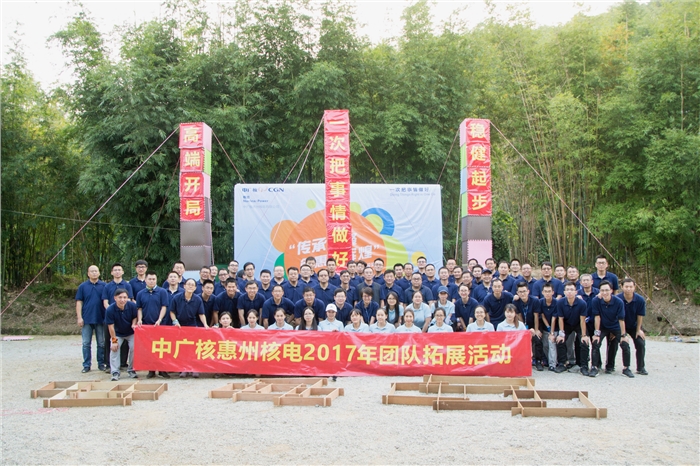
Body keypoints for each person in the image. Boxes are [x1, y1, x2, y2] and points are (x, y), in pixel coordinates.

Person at [590, 281, 632, 378]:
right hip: (603, 327)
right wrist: (596, 333)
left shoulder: (618, 302)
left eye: (607, 290)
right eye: (602, 290)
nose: (605, 292)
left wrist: (623, 335)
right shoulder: (596, 301)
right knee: (596, 343)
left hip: (615, 326)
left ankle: (626, 368)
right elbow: (597, 317)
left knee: (624, 344)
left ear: (611, 291)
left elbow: (621, 319)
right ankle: (594, 367)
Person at [136, 271, 171, 379]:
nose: (151, 281)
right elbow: (139, 308)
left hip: (160, 325)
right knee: (149, 348)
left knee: (161, 347)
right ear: (146, 280)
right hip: (147, 325)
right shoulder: (140, 293)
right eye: (149, 279)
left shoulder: (162, 292)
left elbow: (164, 306)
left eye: (153, 279)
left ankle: (162, 369)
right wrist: (140, 319)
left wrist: (159, 319)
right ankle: (151, 370)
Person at [170, 278, 207, 378]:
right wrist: (175, 321)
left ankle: (194, 368)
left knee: (193, 348)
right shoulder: (177, 298)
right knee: (182, 348)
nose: (190, 286)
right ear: (184, 286)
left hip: (192, 325)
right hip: (179, 326)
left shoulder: (198, 299)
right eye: (188, 284)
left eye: (192, 285)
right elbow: (172, 311)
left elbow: (201, 314)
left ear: (195, 288)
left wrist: (205, 324)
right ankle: (183, 368)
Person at [101, 263, 134, 372]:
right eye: (115, 270)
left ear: (123, 272)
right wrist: (113, 312)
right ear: (112, 272)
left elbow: (130, 303)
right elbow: (105, 302)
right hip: (113, 321)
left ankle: (126, 365)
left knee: (129, 345)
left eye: (119, 270)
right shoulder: (107, 287)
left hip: (127, 324)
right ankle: (110, 367)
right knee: (111, 343)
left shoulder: (127, 286)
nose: (117, 272)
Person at [553, 282, 590, 375]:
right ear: (564, 292)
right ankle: (562, 363)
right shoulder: (560, 302)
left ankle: (584, 365)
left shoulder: (582, 303)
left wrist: (584, 335)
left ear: (576, 292)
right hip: (566, 324)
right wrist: (561, 333)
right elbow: (560, 319)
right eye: (567, 290)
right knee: (560, 340)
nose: (569, 292)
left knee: (584, 341)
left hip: (578, 324)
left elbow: (582, 320)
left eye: (572, 290)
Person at [76, 265, 106, 373]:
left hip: (101, 318)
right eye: (92, 271)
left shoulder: (104, 286)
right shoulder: (82, 286)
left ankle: (101, 363)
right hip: (87, 318)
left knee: (101, 343)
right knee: (86, 343)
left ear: (99, 273)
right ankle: (86, 365)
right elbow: (79, 302)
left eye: (96, 271)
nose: (94, 273)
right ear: (88, 273)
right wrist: (79, 317)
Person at [105, 289, 138, 381]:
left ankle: (132, 369)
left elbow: (135, 317)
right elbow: (111, 327)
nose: (122, 300)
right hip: (117, 333)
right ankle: (115, 372)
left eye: (124, 297)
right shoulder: (110, 309)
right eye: (120, 297)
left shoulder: (132, 306)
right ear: (115, 298)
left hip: (130, 332)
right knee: (114, 348)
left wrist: (133, 324)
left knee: (134, 348)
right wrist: (114, 341)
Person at [513, 281, 543, 371]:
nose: (522, 293)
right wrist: (525, 330)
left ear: (528, 291)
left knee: (537, 339)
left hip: (535, 323)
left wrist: (536, 329)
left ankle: (538, 361)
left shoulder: (535, 300)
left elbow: (536, 316)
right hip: (523, 325)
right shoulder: (516, 302)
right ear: (517, 293)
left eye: (524, 291)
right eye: (520, 292)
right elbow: (519, 316)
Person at [621, 278, 648, 375]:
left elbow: (640, 316)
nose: (628, 289)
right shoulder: (617, 299)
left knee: (640, 343)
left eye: (630, 286)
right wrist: (622, 334)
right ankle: (623, 367)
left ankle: (641, 367)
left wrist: (638, 329)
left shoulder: (640, 300)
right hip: (620, 326)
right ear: (622, 287)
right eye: (626, 286)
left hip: (634, 325)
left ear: (634, 287)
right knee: (623, 344)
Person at [536, 283, 559, 372]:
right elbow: (542, 315)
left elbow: (554, 318)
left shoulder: (556, 302)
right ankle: (549, 360)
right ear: (542, 292)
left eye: (549, 291)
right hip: (545, 327)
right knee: (545, 345)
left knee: (551, 343)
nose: (547, 293)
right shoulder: (540, 302)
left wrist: (551, 332)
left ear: (553, 292)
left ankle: (552, 364)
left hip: (555, 327)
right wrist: (548, 327)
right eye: (545, 291)